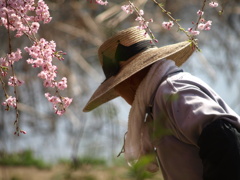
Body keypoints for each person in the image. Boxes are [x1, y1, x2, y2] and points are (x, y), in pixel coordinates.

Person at [83, 26, 240, 180]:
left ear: (129, 81)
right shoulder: (160, 97)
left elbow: (224, 137)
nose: (118, 93)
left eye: (116, 87)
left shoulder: (174, 91)